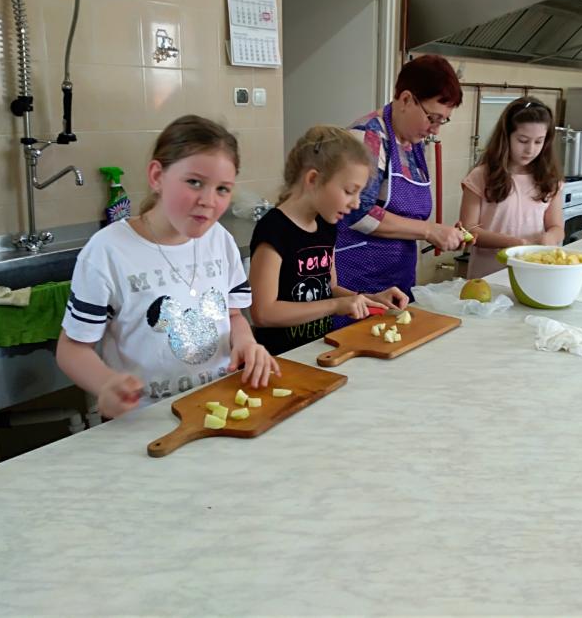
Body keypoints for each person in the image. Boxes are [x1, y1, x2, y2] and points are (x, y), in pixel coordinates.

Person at [56, 115, 279, 419]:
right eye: (194, 182)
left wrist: (246, 342)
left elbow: (233, 315)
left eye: (222, 189)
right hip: (145, 420)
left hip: (217, 407)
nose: (208, 201)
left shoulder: (220, 240)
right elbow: (72, 349)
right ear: (157, 176)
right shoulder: (108, 251)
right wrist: (106, 383)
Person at [248, 126, 408, 355]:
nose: (356, 203)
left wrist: (367, 299)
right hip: (281, 358)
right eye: (349, 191)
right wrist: (335, 306)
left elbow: (329, 288)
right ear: (313, 179)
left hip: (317, 350)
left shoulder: (326, 225)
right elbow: (263, 313)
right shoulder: (274, 230)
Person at [335, 54, 466, 305]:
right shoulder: (367, 138)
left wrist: (445, 233)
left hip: (398, 276)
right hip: (358, 279)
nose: (436, 129)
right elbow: (358, 213)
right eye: (432, 118)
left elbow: (407, 215)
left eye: (443, 120)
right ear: (406, 99)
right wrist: (429, 230)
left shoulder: (413, 142)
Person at [459, 96, 565, 279]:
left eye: (538, 142)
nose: (530, 149)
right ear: (506, 137)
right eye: (523, 140)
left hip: (533, 273)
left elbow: (557, 227)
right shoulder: (480, 176)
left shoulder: (549, 179)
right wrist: (515, 243)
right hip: (488, 275)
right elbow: (469, 229)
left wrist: (550, 237)